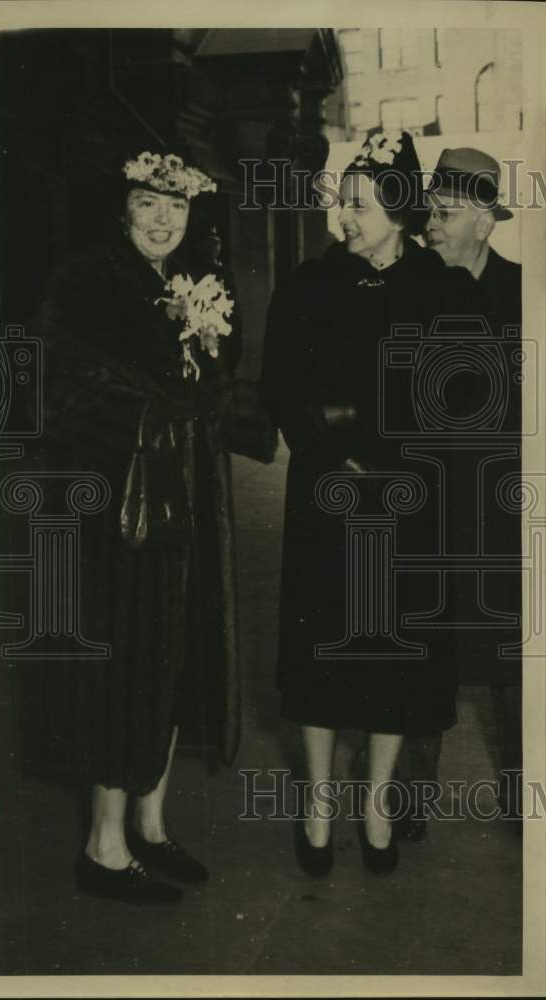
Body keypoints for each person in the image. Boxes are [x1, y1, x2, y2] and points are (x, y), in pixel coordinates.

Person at [260, 130, 491, 876]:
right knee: (323, 646)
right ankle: (319, 802)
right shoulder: (307, 284)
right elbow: (280, 389)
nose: (341, 217)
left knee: (401, 657)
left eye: (356, 204)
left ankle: (378, 802)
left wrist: (390, 450)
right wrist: (337, 450)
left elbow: (462, 392)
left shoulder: (443, 289)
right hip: (326, 497)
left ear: (396, 205)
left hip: (408, 500)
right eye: (339, 202)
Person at [33, 151, 242, 903]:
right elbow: (56, 387)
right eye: (149, 203)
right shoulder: (88, 278)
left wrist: (205, 380)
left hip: (184, 499)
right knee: (123, 665)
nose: (162, 221)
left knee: (175, 657)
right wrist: (152, 408)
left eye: (175, 208)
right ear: (123, 205)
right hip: (117, 511)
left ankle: (150, 827)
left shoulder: (193, 279)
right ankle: (104, 845)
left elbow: (219, 378)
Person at [424, 147, 522, 822]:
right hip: (426, 500)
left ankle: (521, 791)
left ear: (485, 222)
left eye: (448, 213)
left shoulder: (525, 291)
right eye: (429, 210)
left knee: (513, 653)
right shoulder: (407, 289)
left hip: (505, 507)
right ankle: (408, 797)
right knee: (420, 642)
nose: (430, 225)